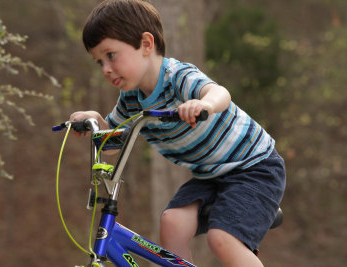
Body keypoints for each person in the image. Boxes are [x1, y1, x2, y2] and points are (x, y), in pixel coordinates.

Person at [69, 0, 286, 266]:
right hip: (211, 176)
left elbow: (220, 94)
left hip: (254, 167)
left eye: (111, 55)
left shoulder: (177, 77)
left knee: (222, 238)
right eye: (99, 62)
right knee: (172, 222)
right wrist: (94, 120)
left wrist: (204, 104)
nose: (106, 68)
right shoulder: (130, 99)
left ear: (146, 45)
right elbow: (113, 144)